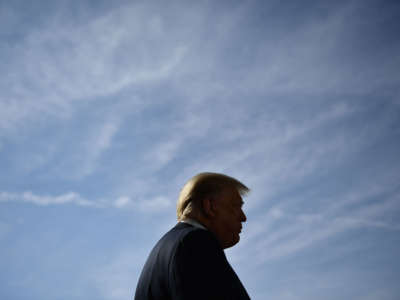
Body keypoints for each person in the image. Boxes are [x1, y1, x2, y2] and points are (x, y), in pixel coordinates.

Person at [134, 172, 251, 300]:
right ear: (210, 207)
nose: (243, 217)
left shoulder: (165, 248)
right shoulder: (195, 243)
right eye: (236, 206)